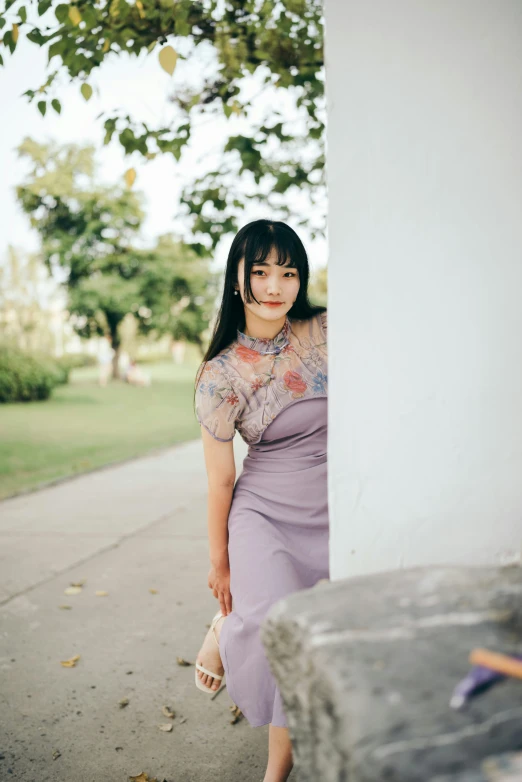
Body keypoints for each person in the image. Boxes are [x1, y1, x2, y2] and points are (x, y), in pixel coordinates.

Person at [193, 219, 328, 782]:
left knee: (315, 636)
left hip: (334, 503)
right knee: (278, 631)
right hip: (264, 511)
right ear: (238, 280)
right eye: (261, 272)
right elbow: (220, 483)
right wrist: (221, 565)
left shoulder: (324, 332)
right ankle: (277, 776)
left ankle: (231, 626)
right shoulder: (218, 375)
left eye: (289, 272)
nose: (276, 286)